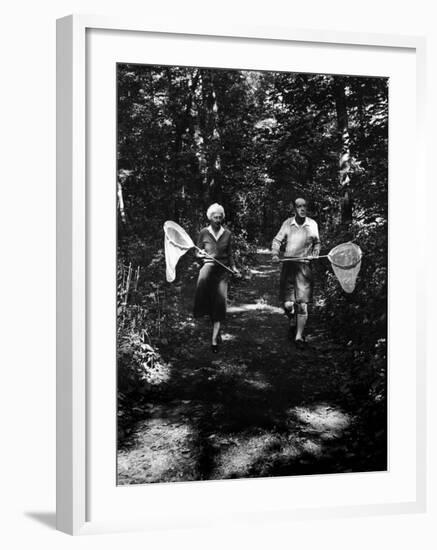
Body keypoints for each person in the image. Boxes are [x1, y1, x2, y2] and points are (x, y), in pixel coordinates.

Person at [271, 198, 320, 348]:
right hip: (289, 265)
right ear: (294, 208)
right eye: (299, 206)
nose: (302, 209)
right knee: (288, 304)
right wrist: (274, 254)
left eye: (305, 206)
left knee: (303, 304)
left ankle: (299, 337)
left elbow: (317, 243)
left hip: (304, 266)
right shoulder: (287, 223)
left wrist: (316, 253)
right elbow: (277, 240)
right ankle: (292, 319)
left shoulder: (312, 224)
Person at [193, 203, 240, 353]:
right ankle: (215, 327)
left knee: (219, 304)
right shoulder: (203, 233)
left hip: (222, 272)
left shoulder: (227, 234)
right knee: (206, 302)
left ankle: (214, 340)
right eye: (215, 217)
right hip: (207, 271)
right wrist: (199, 255)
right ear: (210, 217)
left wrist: (234, 268)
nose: (218, 220)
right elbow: (197, 252)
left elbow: (230, 254)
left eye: (220, 217)